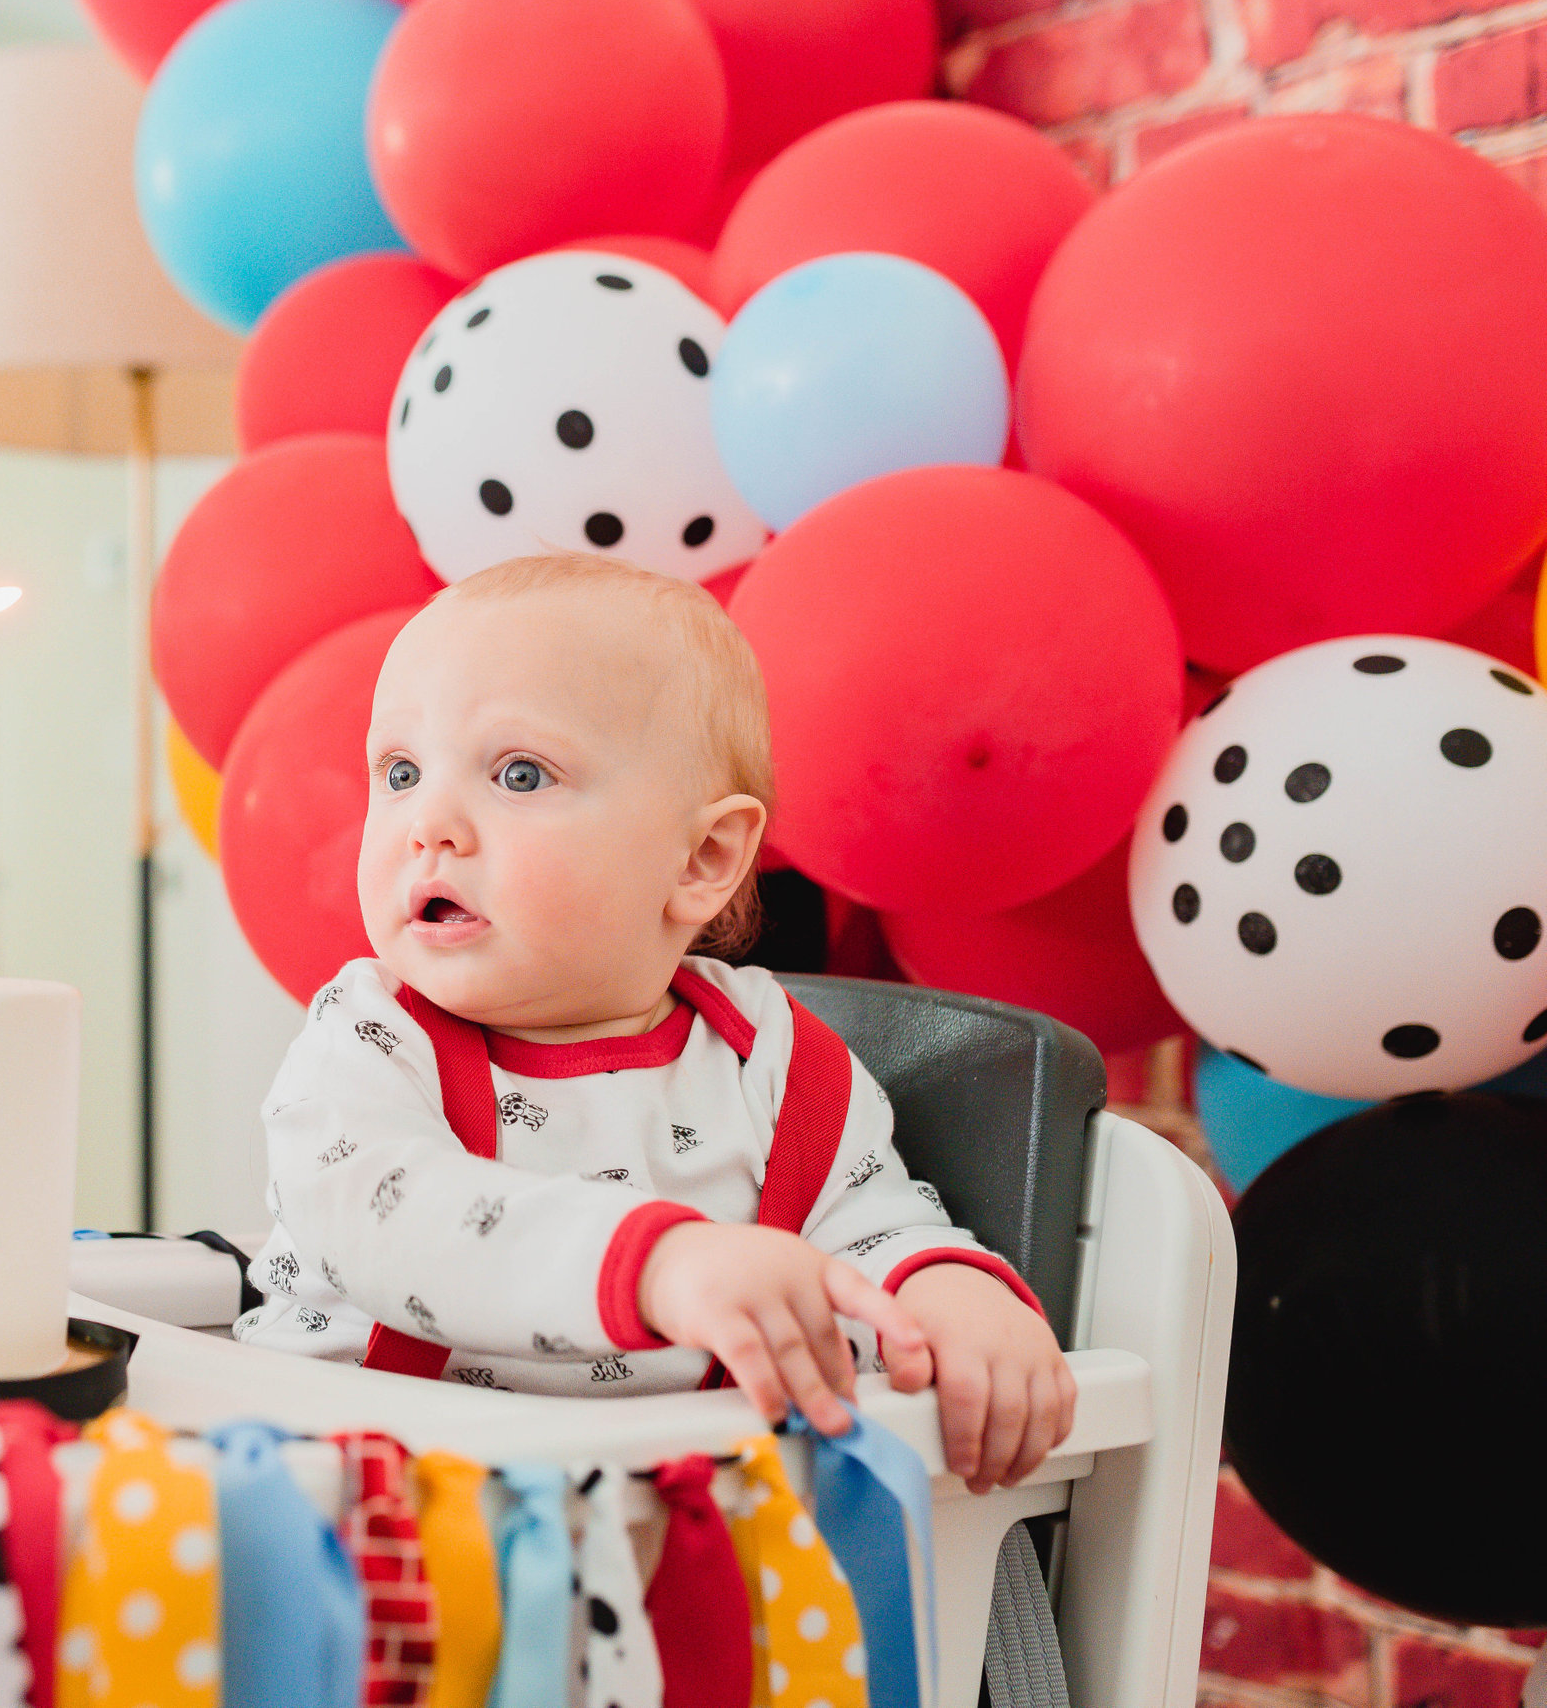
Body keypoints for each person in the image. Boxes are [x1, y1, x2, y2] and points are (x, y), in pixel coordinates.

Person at [237, 554, 1073, 1494]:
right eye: (399, 771)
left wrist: (942, 1296)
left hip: (650, 1533)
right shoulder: (366, 1040)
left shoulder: (772, 1058)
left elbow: (865, 1225)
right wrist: (658, 1264)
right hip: (350, 1513)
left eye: (519, 773)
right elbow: (401, 1227)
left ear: (702, 858)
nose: (429, 823)